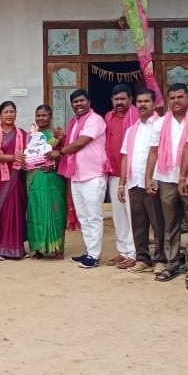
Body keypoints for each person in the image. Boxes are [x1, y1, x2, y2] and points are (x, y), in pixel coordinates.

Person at [146, 83, 188, 283]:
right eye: (172, 98)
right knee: (170, 224)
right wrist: (148, 178)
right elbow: (153, 152)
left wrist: (185, 177)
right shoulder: (160, 123)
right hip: (166, 179)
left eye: (180, 97)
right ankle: (172, 264)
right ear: (168, 101)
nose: (176, 100)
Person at [54, 89, 107, 269]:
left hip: (93, 175)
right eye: (75, 102)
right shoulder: (74, 122)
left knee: (93, 216)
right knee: (84, 216)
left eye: (81, 101)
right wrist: (63, 139)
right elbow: (71, 141)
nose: (78, 104)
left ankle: (94, 255)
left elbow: (80, 143)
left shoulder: (95, 120)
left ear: (89, 102)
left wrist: (60, 152)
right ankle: (89, 251)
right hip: (77, 175)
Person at [116, 88, 164, 272]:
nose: (142, 105)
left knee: (158, 222)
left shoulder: (160, 125)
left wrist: (152, 178)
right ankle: (143, 259)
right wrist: (122, 183)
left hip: (154, 182)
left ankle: (161, 259)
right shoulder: (131, 130)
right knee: (138, 222)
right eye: (139, 102)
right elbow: (125, 157)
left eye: (146, 101)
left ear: (154, 104)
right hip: (133, 182)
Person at [0, 100, 28, 260]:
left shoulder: (22, 134)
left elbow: (30, 154)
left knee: (16, 211)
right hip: (1, 178)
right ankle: (0, 249)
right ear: (0, 115)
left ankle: (17, 249)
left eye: (12, 111)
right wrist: (12, 157)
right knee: (2, 210)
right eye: (6, 112)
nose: (9, 114)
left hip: (17, 177)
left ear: (16, 113)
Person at [103, 84, 139, 268]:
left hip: (132, 174)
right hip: (114, 173)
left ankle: (134, 253)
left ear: (130, 100)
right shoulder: (108, 117)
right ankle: (123, 251)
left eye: (123, 99)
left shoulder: (136, 117)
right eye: (116, 99)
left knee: (132, 214)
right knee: (118, 215)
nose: (119, 102)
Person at [25, 105, 67, 259]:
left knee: (56, 211)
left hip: (53, 178)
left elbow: (66, 155)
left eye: (44, 115)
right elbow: (27, 156)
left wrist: (55, 164)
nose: (40, 118)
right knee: (36, 212)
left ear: (50, 117)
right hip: (34, 178)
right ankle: (38, 248)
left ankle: (58, 249)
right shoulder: (31, 137)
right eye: (38, 115)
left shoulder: (57, 135)